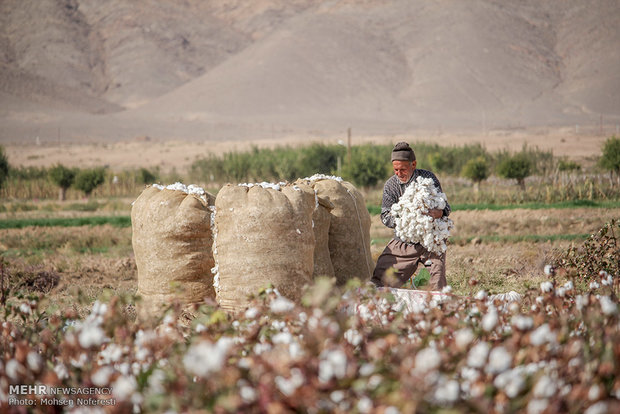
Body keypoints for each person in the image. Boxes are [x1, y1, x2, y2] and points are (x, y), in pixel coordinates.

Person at [370, 142, 451, 290]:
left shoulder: (428, 179)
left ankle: (438, 308)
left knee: (436, 279)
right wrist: (408, 219)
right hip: (404, 241)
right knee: (382, 278)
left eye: (403, 169)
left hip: (431, 240)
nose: (399, 173)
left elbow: (446, 207)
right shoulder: (391, 186)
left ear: (413, 164)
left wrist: (439, 213)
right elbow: (385, 215)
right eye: (396, 170)